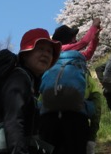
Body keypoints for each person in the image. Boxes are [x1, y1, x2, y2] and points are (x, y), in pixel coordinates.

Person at [2, 28, 61, 154]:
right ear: (25, 53)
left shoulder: (31, 81)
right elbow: (14, 121)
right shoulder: (19, 78)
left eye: (49, 51)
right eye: (40, 49)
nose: (46, 54)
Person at [38, 25, 93, 154]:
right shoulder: (79, 58)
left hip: (47, 116)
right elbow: (86, 45)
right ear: (71, 40)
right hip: (76, 115)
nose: (76, 40)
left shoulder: (49, 60)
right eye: (73, 37)